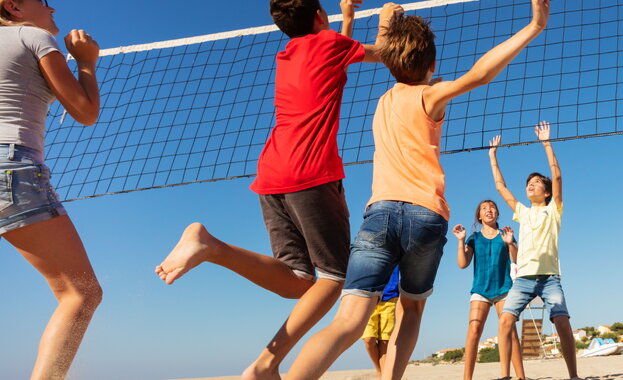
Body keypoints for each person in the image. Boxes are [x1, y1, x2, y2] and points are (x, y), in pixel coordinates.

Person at [284, 1, 550, 379]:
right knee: (411, 309)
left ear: (389, 62)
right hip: (425, 216)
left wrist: (385, 23)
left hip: (379, 214)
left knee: (347, 321)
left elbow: (374, 55)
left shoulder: (382, 102)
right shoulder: (431, 96)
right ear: (433, 66)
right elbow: (481, 73)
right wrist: (535, 25)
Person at [153, 1, 395, 379]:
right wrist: (386, 22)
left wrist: (346, 18)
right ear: (319, 16)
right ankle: (266, 363)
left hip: (271, 174)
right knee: (334, 279)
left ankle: (211, 247)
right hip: (310, 173)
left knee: (299, 279)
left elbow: (338, 57)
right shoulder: (330, 45)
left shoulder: (288, 55)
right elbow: (384, 54)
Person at [0, 1, 103, 378]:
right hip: (11, 168)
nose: (52, 6)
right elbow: (85, 112)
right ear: (12, 6)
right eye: (42, 0)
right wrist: (86, 61)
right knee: (81, 293)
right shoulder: (33, 35)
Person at [490, 121, 579, 379]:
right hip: (524, 279)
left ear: (547, 192)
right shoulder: (522, 213)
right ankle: (505, 375)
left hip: (550, 278)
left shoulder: (554, 210)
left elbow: (558, 175)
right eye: (528, 182)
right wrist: (493, 156)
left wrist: (546, 142)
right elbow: (500, 188)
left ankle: (573, 375)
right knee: (505, 322)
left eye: (537, 182)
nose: (531, 184)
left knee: (562, 322)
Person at [453, 200, 525, 380]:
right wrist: (461, 241)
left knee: (510, 331)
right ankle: (466, 378)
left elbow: (517, 260)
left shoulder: (505, 234)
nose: (489, 210)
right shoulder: (474, 238)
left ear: (497, 214)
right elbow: (463, 264)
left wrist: (510, 244)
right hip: (480, 290)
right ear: (479, 216)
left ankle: (520, 377)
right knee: (474, 328)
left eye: (492, 207)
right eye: (484, 208)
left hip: (504, 288)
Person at [361, 267, 399, 378]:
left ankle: (383, 374)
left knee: (385, 341)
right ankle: (378, 370)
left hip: (390, 297)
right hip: (368, 296)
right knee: (368, 339)